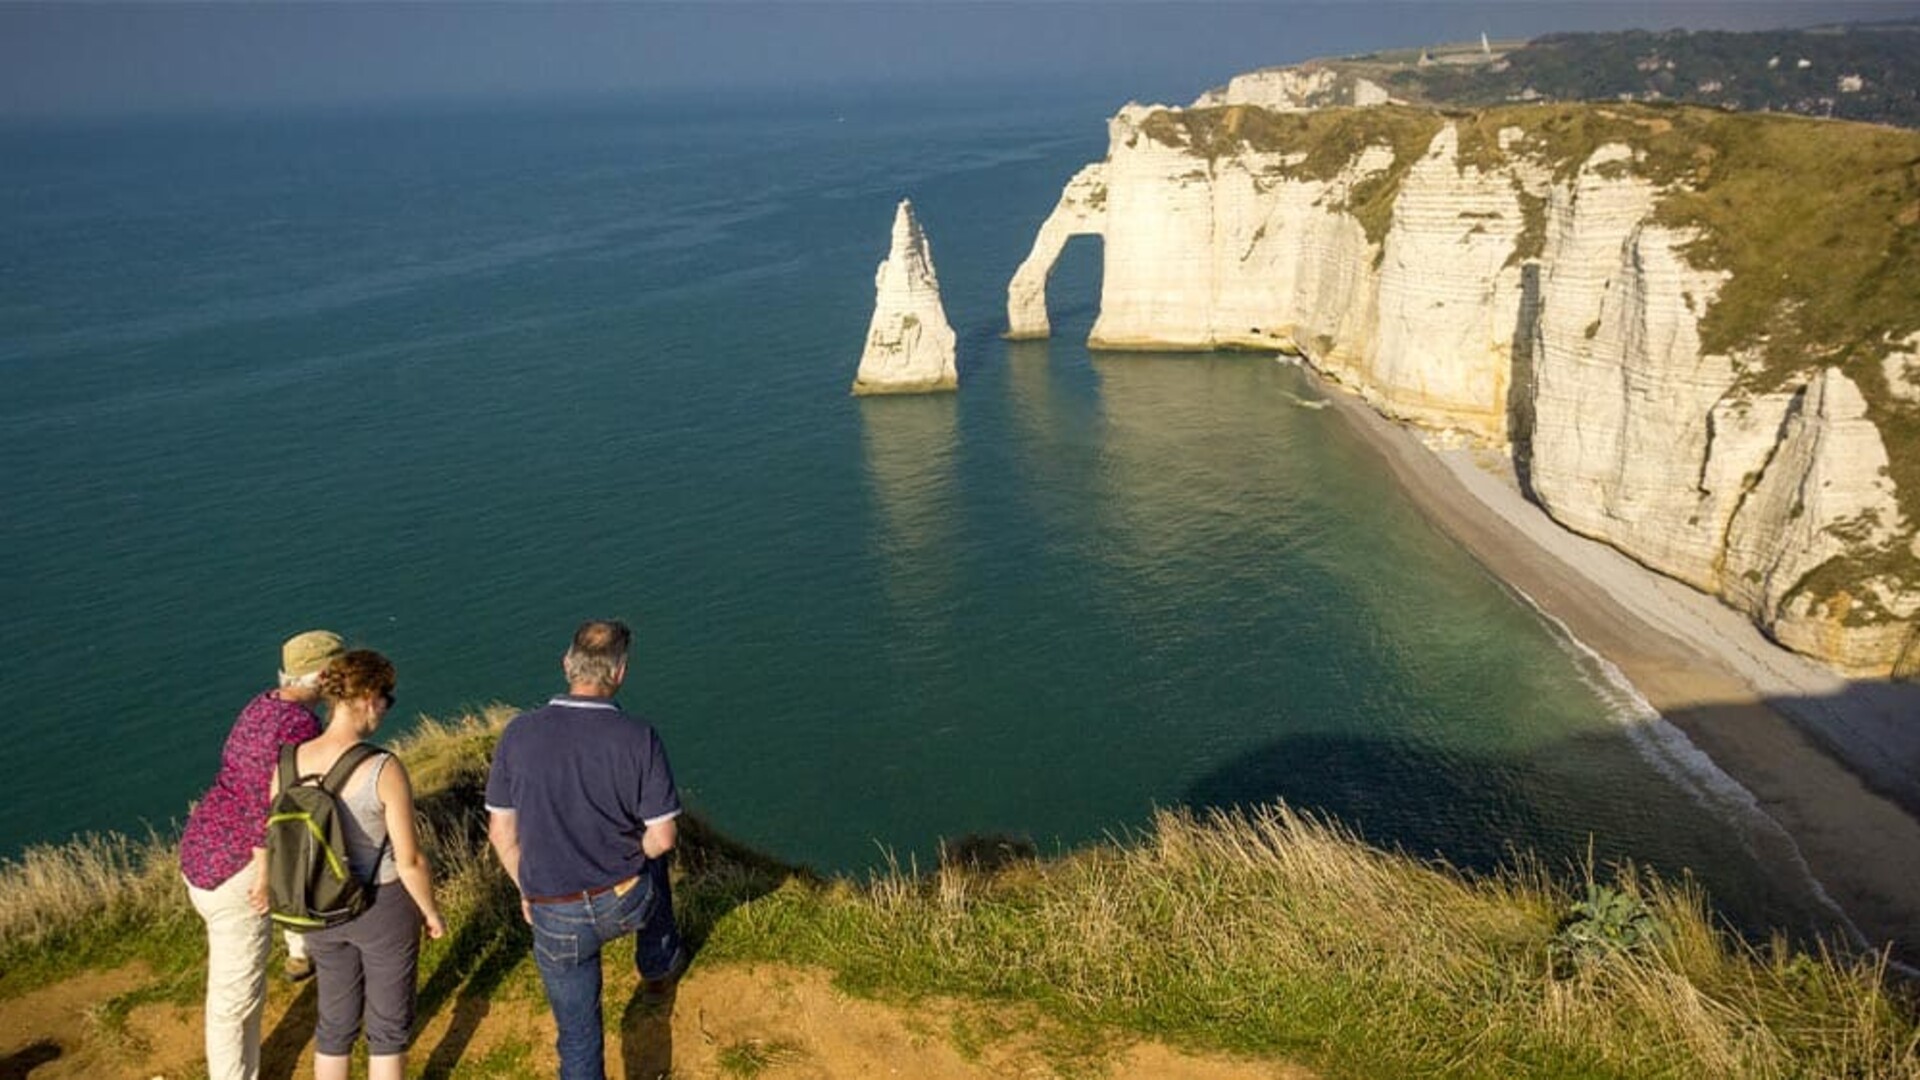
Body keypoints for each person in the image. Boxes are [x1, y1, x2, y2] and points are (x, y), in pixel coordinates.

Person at [486, 619, 689, 1080]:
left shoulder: (518, 734)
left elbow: (501, 832)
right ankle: (657, 967)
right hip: (624, 900)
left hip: (552, 911)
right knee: (652, 862)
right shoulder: (639, 736)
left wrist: (527, 887)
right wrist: (624, 853)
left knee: (577, 1035)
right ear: (619, 673)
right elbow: (663, 838)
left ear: (567, 664)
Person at [251, 649, 446, 1080]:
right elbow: (410, 859)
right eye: (387, 700)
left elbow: (272, 835)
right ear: (369, 698)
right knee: (388, 1031)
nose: (385, 710)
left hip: (318, 905)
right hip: (383, 904)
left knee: (334, 1026)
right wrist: (431, 912)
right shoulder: (381, 767)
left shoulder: (287, 763)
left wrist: (266, 883)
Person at [180, 629, 344, 1080]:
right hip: (236, 873)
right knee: (235, 998)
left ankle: (300, 951)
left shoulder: (263, 705)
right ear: (326, 676)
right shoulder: (301, 726)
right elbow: (267, 802)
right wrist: (262, 871)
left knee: (237, 989)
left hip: (204, 850)